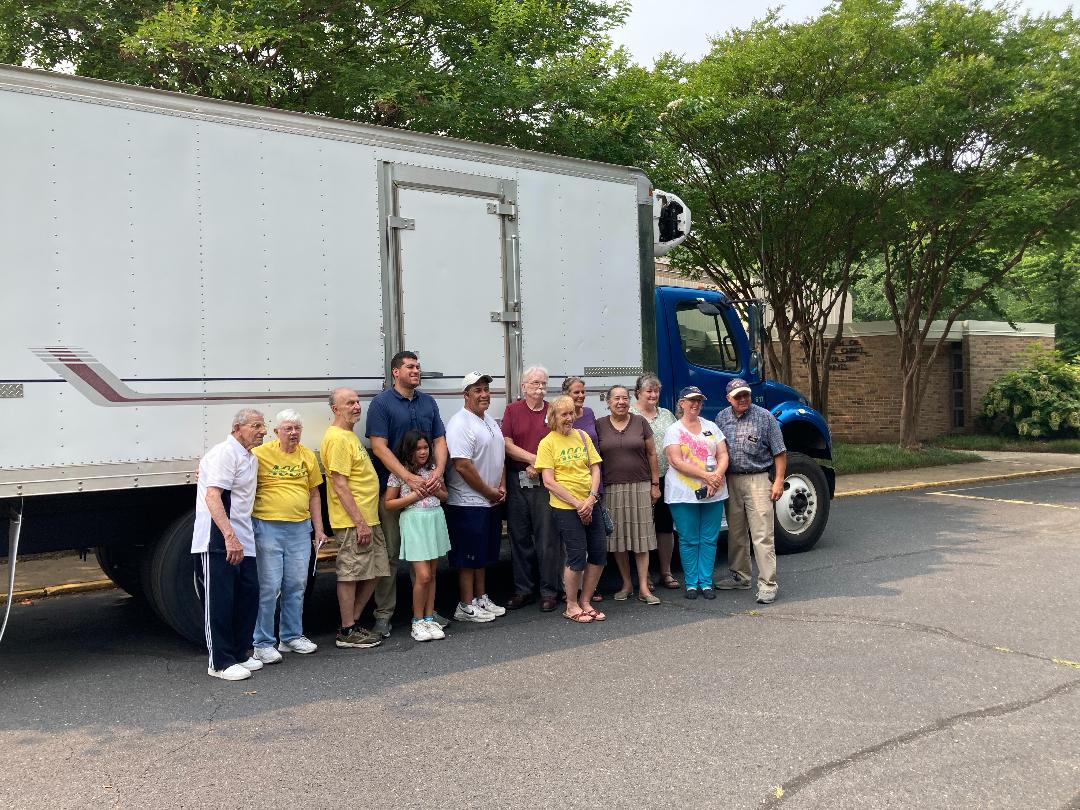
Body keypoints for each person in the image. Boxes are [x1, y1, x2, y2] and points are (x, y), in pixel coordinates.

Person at [366, 350, 449, 638]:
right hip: (394, 488)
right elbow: (379, 446)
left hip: (426, 488)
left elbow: (439, 440)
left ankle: (426, 613)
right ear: (395, 372)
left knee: (425, 555)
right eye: (410, 367)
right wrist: (408, 478)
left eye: (418, 367)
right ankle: (384, 615)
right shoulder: (381, 404)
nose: (416, 371)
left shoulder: (428, 402)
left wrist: (438, 471)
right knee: (390, 554)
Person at [191, 408, 267, 681]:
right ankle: (220, 662)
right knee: (220, 602)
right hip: (218, 538)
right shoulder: (225, 453)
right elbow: (213, 497)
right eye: (256, 426)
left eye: (263, 425)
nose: (263, 431)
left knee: (248, 595)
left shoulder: (249, 457)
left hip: (243, 536)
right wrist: (229, 536)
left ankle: (239, 652)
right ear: (237, 428)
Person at [250, 409, 327, 664]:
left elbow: (314, 494)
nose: (293, 433)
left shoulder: (307, 456)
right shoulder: (260, 453)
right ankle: (262, 643)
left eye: (297, 429)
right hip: (267, 527)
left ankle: (291, 637)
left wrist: (319, 529)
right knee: (269, 587)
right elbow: (234, 466)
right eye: (288, 429)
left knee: (296, 585)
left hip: (300, 528)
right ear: (276, 432)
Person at [321, 388, 390, 649]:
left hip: (368, 518)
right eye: (349, 403)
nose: (356, 406)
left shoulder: (349, 436)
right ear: (335, 409)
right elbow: (339, 484)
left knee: (377, 569)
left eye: (358, 402)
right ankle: (347, 630)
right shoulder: (337, 438)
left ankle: (353, 622)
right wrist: (359, 522)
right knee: (350, 574)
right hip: (352, 521)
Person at [715, 378, 787, 605]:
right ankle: (740, 577)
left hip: (758, 479)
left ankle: (768, 585)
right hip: (731, 480)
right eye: (738, 396)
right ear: (729, 398)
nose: (743, 399)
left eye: (746, 394)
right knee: (736, 533)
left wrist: (778, 481)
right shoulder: (721, 418)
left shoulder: (765, 417)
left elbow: (780, 452)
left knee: (762, 534)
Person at [535, 394, 606, 623]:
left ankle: (585, 601)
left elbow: (595, 468)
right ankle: (571, 605)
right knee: (576, 555)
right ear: (554, 417)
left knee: (598, 553)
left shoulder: (583, 436)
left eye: (571, 413)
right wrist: (578, 504)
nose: (569, 418)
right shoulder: (547, 443)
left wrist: (591, 498)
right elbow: (549, 481)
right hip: (566, 507)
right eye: (563, 414)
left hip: (590, 502)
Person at [444, 372, 507, 624]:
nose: (484, 395)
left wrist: (501, 486)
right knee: (468, 557)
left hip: (489, 501)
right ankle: (465, 605)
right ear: (466, 395)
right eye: (477, 390)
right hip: (467, 502)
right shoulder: (460, 423)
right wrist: (489, 491)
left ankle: (481, 598)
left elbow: (500, 456)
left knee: (482, 555)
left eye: (486, 390)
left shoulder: (488, 420)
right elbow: (462, 465)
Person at [502, 365, 562, 612]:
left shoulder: (552, 411)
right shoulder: (512, 410)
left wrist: (540, 466)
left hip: (545, 482)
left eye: (543, 383)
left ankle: (549, 591)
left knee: (547, 539)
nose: (540, 387)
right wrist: (533, 460)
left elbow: (559, 443)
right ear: (524, 386)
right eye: (535, 383)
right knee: (519, 537)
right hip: (517, 480)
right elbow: (506, 444)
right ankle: (523, 590)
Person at [596, 386, 661, 605]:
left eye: (624, 398)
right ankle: (626, 584)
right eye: (616, 398)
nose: (621, 402)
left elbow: (652, 453)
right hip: (612, 488)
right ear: (608, 402)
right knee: (618, 539)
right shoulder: (599, 425)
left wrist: (654, 484)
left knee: (641, 538)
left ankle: (643, 587)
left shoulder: (640, 422)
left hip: (640, 485)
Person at [662, 386, 729, 600]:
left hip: (714, 491)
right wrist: (706, 476)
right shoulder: (674, 430)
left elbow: (723, 454)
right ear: (682, 403)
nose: (696, 404)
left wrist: (716, 476)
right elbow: (675, 460)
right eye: (691, 400)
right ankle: (691, 583)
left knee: (709, 539)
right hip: (683, 494)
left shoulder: (711, 427)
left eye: (699, 400)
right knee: (689, 539)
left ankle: (706, 582)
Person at [384, 430, 451, 642]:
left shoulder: (433, 469)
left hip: (434, 518)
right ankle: (417, 621)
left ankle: (429, 618)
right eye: (417, 448)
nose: (423, 452)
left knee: (432, 574)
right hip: (414, 522)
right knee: (422, 575)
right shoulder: (400, 472)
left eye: (425, 447)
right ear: (408, 450)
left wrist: (435, 489)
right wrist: (414, 495)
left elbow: (445, 495)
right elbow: (388, 503)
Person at [631, 373, 680, 590]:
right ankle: (646, 575)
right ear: (638, 393)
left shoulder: (667, 414)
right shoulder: (630, 415)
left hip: (666, 478)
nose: (653, 395)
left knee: (665, 526)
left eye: (656, 391)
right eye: (648, 391)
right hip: (640, 479)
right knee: (643, 528)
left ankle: (666, 572)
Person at [562, 376, 598, 447]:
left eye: (583, 392)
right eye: (576, 392)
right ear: (566, 395)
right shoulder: (560, 418)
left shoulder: (589, 412)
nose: (581, 395)